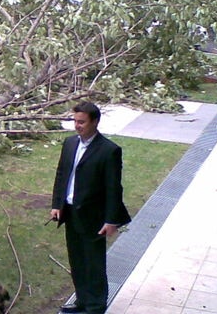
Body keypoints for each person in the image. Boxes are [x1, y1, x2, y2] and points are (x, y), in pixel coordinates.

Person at [50, 101, 131, 314]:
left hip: (94, 217)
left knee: (94, 263)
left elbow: (113, 188)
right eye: (75, 121)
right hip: (70, 213)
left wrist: (111, 220)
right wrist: (56, 204)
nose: (77, 126)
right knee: (77, 261)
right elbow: (61, 176)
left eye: (82, 122)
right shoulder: (69, 144)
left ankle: (95, 307)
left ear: (95, 122)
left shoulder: (109, 150)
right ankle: (81, 301)